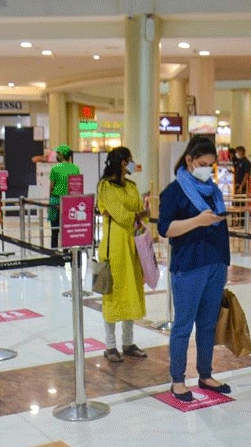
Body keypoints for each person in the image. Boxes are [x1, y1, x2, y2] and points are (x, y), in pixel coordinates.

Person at [157, 136, 231, 402]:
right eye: (201, 163)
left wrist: (225, 263)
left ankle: (205, 373)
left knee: (208, 324)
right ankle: (178, 378)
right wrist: (198, 221)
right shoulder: (174, 192)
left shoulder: (214, 192)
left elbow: (221, 229)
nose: (205, 169)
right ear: (188, 160)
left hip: (214, 264)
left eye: (210, 165)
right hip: (188, 267)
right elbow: (165, 229)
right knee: (183, 325)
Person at [97, 147, 150, 362]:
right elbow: (121, 215)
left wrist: (139, 213)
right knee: (111, 295)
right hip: (113, 249)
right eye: (129, 160)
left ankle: (128, 342)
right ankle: (110, 346)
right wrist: (139, 214)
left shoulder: (132, 186)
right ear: (121, 163)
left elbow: (135, 213)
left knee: (131, 292)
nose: (132, 164)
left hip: (133, 246)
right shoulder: (105, 187)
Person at [48, 144, 80, 248]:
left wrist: (50, 195)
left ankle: (54, 251)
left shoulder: (55, 168)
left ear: (61, 155)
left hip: (55, 200)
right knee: (67, 229)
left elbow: (51, 186)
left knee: (55, 229)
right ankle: (67, 252)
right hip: (69, 202)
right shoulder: (75, 168)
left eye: (58, 153)